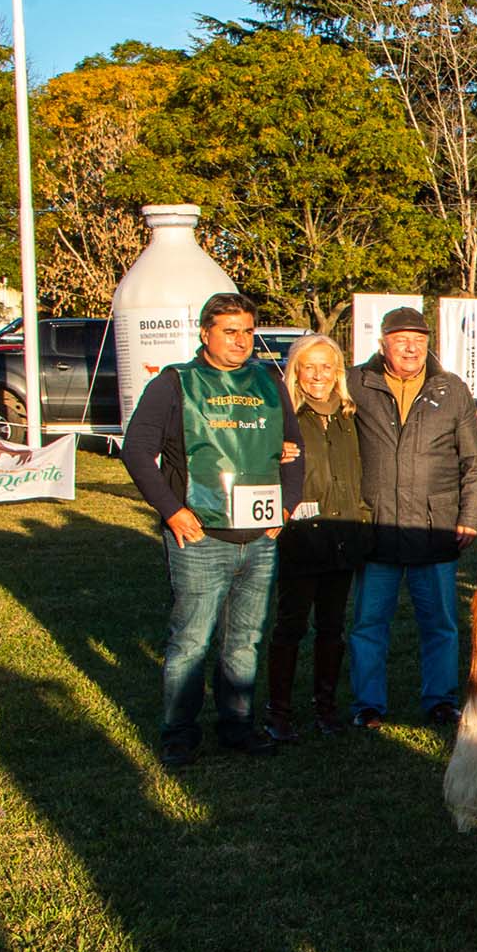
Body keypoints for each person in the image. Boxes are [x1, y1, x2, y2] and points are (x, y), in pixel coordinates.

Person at [120, 291, 303, 767]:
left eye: (247, 331)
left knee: (245, 640)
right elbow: (137, 451)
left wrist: (284, 509)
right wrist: (171, 510)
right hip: (200, 537)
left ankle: (236, 724)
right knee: (191, 641)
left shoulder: (268, 381)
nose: (240, 341)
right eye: (229, 331)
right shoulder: (175, 383)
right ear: (205, 333)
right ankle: (179, 731)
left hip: (260, 540)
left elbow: (295, 449)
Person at [348, 306, 477, 729]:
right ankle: (368, 703)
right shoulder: (357, 384)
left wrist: (470, 516)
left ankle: (440, 699)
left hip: (435, 525)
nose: (411, 348)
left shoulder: (451, 389)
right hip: (377, 524)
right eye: (401, 340)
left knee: (440, 623)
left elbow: (474, 459)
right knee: (369, 622)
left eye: (420, 340)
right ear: (383, 343)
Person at [267, 333, 370, 741]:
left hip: (342, 533)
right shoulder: (284, 414)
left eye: (326, 367)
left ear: (338, 372)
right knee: (290, 624)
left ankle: (325, 708)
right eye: (309, 366)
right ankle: (279, 712)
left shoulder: (348, 415)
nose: (318, 376)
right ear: (295, 370)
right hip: (299, 535)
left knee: (332, 626)